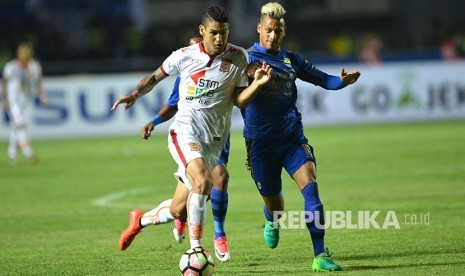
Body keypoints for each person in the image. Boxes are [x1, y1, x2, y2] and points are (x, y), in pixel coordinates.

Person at [112, 6, 271, 259]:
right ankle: (196, 249)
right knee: (204, 181)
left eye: (224, 33)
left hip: (213, 141)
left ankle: (139, 221)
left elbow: (240, 101)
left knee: (178, 210)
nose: (219, 39)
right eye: (214, 33)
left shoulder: (239, 57)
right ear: (202, 31)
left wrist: (259, 85)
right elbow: (155, 77)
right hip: (184, 132)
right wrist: (135, 94)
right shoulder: (184, 56)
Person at [244, 2, 360, 272]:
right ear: (260, 29)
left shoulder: (292, 60)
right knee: (276, 207)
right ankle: (272, 220)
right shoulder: (246, 59)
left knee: (311, 188)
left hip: (292, 138)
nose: (273, 36)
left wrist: (343, 81)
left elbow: (324, 80)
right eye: (269, 30)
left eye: (278, 31)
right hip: (260, 144)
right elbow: (236, 94)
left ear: (284, 32)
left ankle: (320, 255)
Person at [139, 28, 233, 262]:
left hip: (217, 137)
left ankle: (150, 220)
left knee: (191, 197)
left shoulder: (230, 63)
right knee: (213, 178)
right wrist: (154, 121)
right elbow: (173, 104)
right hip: (190, 136)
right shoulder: (186, 69)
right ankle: (204, 243)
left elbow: (243, 97)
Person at [1, 42, 46, 164]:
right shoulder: (11, 67)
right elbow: (4, 82)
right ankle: (28, 154)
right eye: (24, 52)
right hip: (13, 101)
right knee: (20, 126)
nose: (26, 54)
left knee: (20, 126)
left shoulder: (35, 66)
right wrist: (4, 98)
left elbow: (38, 82)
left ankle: (11, 154)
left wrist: (42, 96)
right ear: (18, 53)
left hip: (27, 101)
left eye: (28, 51)